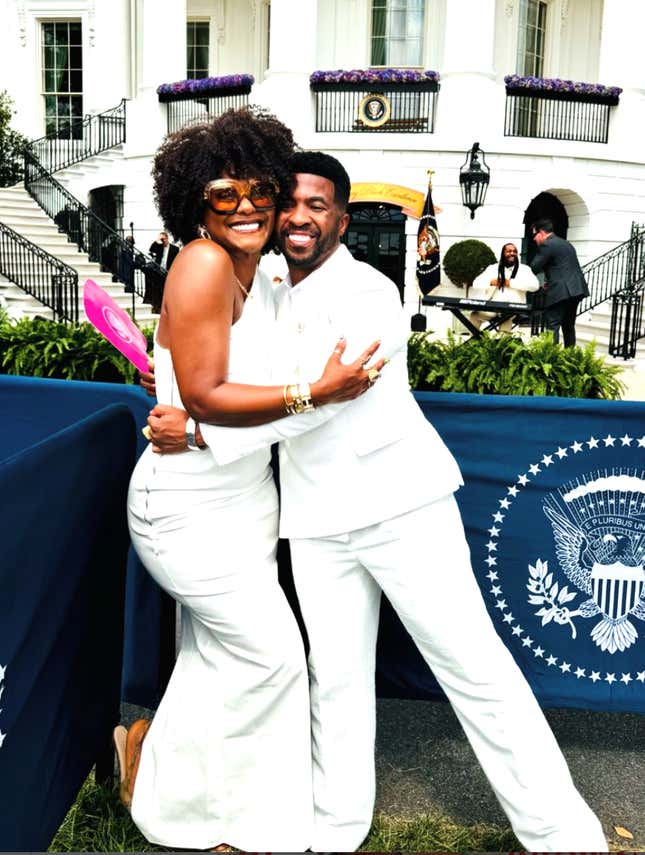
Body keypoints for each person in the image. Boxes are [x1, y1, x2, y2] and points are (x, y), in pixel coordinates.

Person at [146, 152, 608, 853]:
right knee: (333, 681)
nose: (299, 216)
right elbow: (247, 372)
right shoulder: (264, 279)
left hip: (400, 507)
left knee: (472, 668)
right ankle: (335, 827)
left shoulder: (370, 294)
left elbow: (315, 406)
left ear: (342, 216)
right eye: (288, 202)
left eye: (318, 205)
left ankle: (561, 834)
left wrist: (202, 432)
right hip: (310, 519)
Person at [117, 112, 384, 852]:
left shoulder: (261, 270)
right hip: (184, 506)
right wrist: (314, 394)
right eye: (222, 193)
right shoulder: (203, 262)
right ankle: (176, 812)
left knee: (216, 657)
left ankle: (165, 769)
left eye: (259, 189)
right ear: (191, 204)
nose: (245, 206)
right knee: (268, 657)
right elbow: (204, 395)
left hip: (243, 501)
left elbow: (206, 377)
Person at [529, 218, 589, 346]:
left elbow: (534, 267)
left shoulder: (547, 244)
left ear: (541, 232)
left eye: (534, 235)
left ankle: (551, 360)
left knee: (552, 325)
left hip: (560, 291)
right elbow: (560, 266)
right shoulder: (566, 243)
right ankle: (569, 358)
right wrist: (548, 279)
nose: (534, 239)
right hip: (576, 290)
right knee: (568, 326)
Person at [470, 242, 540, 332]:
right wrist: (491, 282)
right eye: (509, 251)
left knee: (506, 317)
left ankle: (502, 345)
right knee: (474, 315)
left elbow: (535, 286)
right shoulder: (493, 268)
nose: (512, 253)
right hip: (493, 308)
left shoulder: (524, 269)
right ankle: (475, 343)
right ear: (503, 253)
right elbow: (476, 283)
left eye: (515, 251)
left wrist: (509, 283)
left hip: (513, 309)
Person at [144, 231, 179, 312]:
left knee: (167, 291)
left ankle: (168, 308)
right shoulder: (159, 247)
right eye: (161, 239)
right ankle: (159, 307)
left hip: (168, 272)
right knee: (159, 291)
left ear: (167, 238)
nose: (163, 241)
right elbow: (151, 249)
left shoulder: (175, 249)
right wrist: (157, 240)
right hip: (159, 272)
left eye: (164, 239)